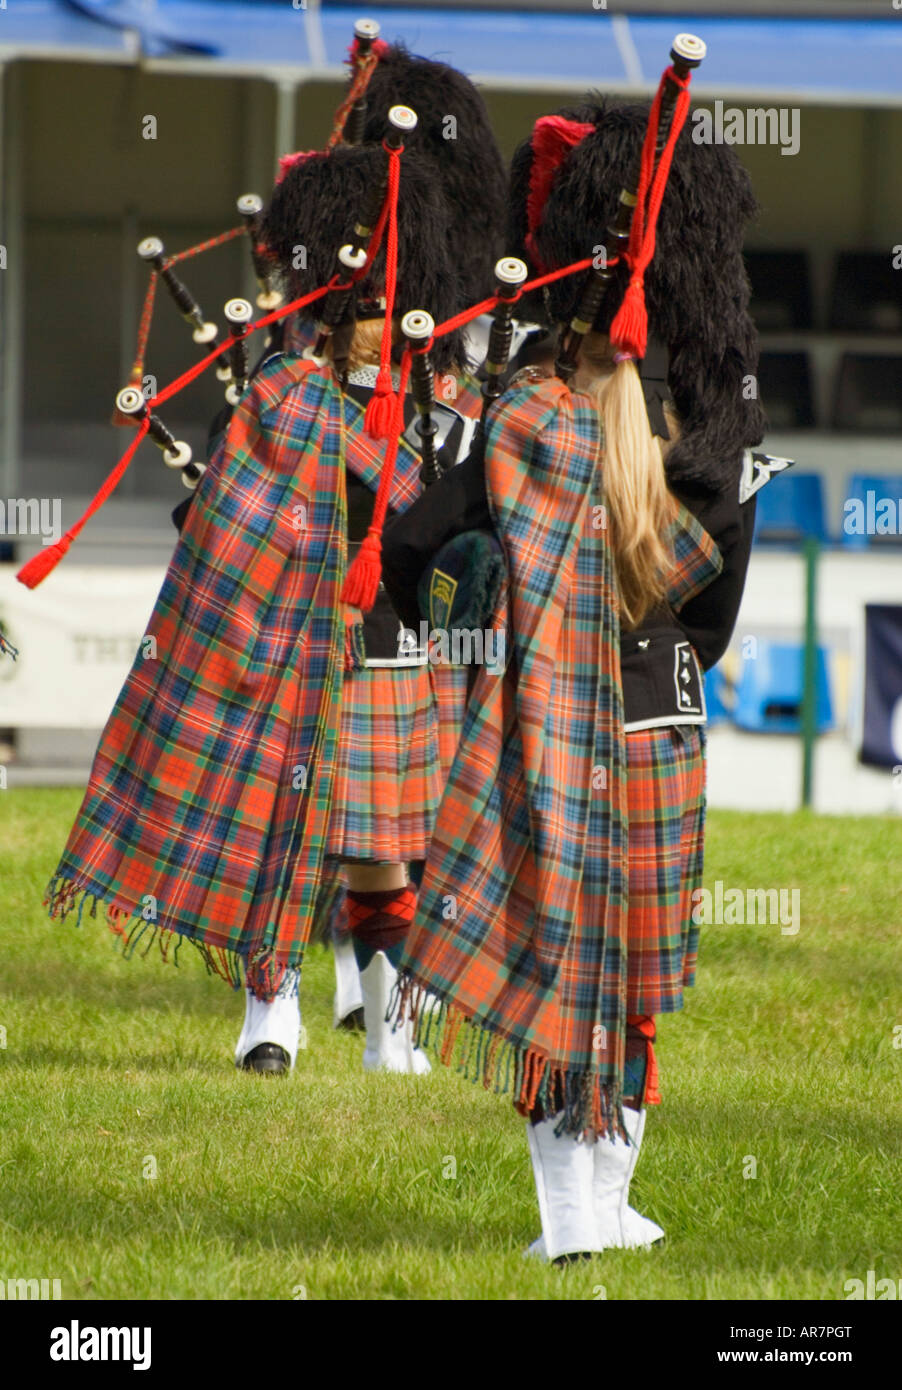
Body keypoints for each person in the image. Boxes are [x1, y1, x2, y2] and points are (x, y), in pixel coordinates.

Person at [44, 44, 507, 1078]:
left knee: (384, 839)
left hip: (391, 647)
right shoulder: (283, 397)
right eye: (359, 309)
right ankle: (273, 1009)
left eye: (389, 304)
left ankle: (390, 1021)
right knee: (286, 836)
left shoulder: (449, 410)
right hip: (287, 641)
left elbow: (460, 542)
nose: (371, 325)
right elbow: (233, 523)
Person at [381, 82, 779, 1260]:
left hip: (535, 725)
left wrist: (489, 629)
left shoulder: (511, 422)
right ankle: (598, 1209)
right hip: (657, 718)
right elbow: (710, 623)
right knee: (638, 981)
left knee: (558, 974)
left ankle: (574, 1220)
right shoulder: (711, 463)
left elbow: (416, 561)